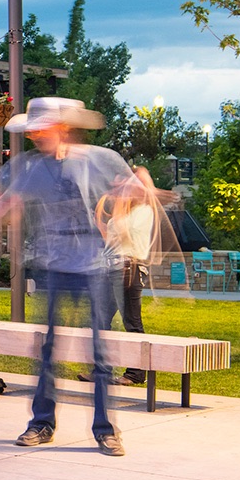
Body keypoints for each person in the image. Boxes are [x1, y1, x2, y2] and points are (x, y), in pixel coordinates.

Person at [0, 96, 134, 457]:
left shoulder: (99, 159)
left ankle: (105, 430)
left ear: (62, 128)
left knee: (99, 354)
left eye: (42, 129)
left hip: (95, 269)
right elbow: (0, 203)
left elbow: (134, 191)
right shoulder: (29, 167)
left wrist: (139, 187)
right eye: (32, 131)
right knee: (48, 350)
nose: (35, 135)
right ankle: (41, 424)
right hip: (53, 267)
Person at [94, 165, 157, 386]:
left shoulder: (144, 211)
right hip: (111, 268)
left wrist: (119, 204)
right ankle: (102, 370)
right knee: (101, 319)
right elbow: (112, 241)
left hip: (130, 269)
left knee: (131, 320)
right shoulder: (124, 212)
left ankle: (135, 373)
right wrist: (100, 223)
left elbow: (127, 235)